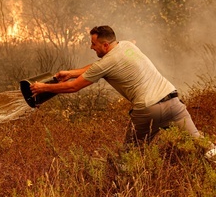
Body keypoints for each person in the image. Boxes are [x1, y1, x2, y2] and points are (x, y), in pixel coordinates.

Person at [30, 25, 216, 159]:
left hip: (148, 109)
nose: (91, 47)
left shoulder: (107, 62)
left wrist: (42, 87)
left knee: (130, 156)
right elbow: (99, 67)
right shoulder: (127, 46)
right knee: (202, 145)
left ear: (104, 45)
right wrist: (71, 72)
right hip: (173, 102)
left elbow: (74, 87)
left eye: (93, 44)